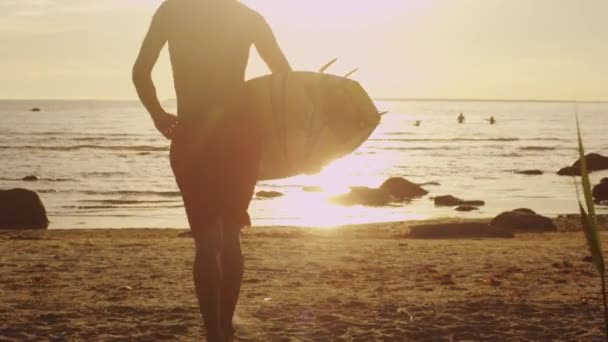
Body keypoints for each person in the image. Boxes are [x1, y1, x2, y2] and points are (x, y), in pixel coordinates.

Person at [132, 1, 291, 341]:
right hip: (240, 138)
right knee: (230, 236)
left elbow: (140, 70)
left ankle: (214, 332)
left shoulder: (173, 11)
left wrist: (159, 115)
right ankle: (224, 328)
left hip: (193, 137)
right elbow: (284, 79)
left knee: (207, 241)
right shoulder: (248, 18)